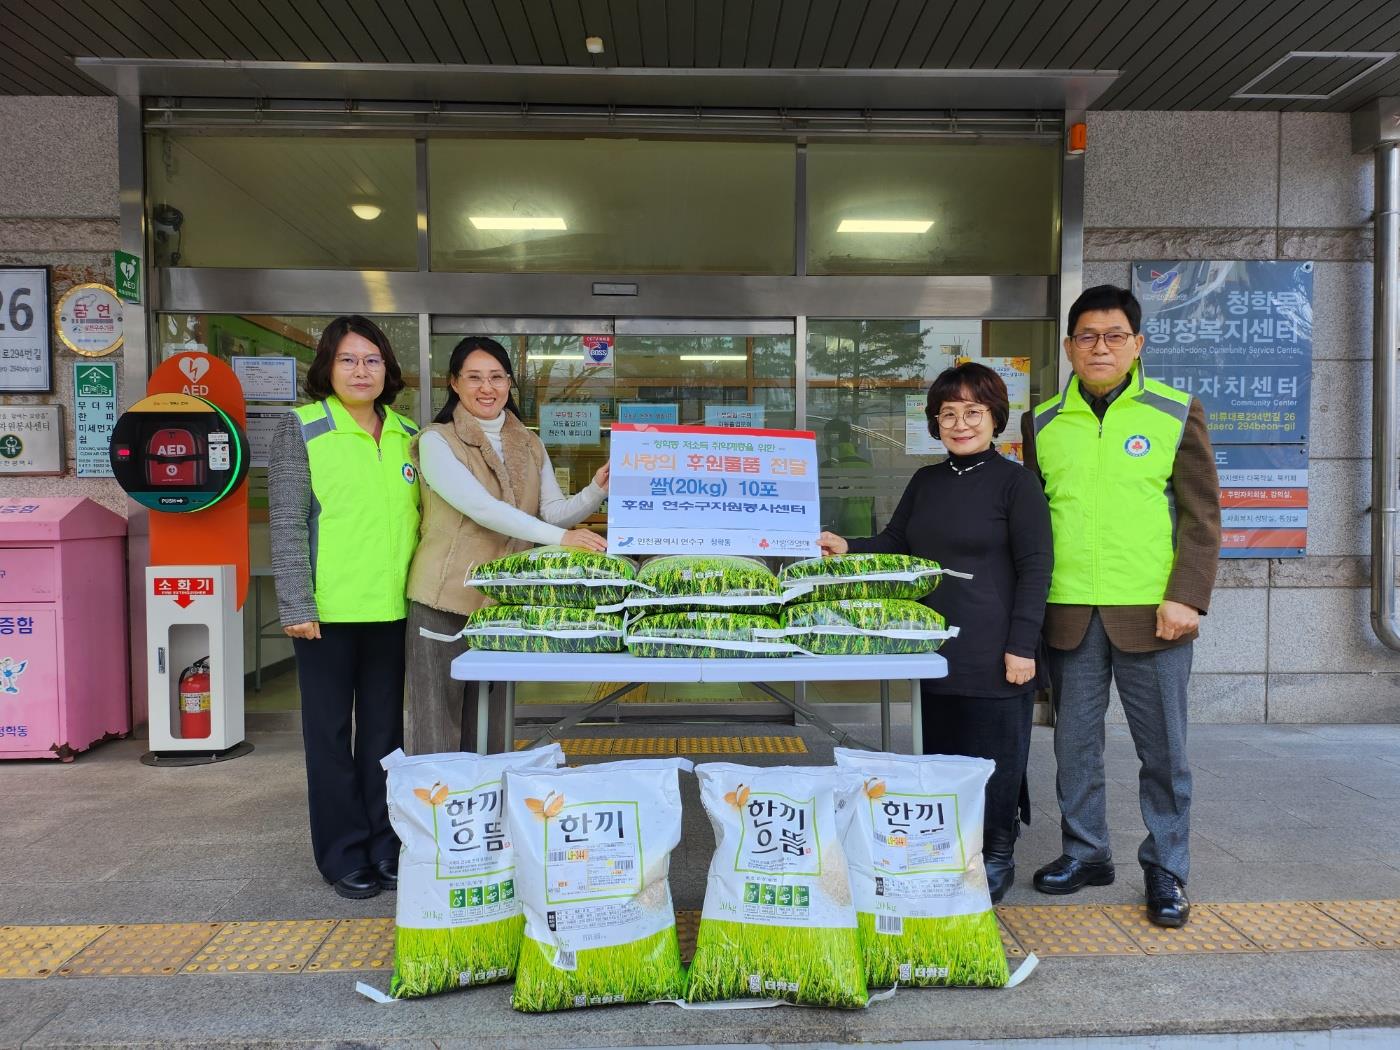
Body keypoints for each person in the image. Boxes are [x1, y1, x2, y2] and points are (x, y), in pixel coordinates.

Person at [1021, 285, 1220, 928]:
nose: (1099, 347)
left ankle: (1166, 866)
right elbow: (1032, 522)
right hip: (1070, 609)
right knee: (1074, 745)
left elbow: (1201, 515)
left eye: (1114, 336)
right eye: (1087, 336)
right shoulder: (1043, 421)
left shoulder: (1173, 410)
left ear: (1137, 344)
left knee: (1163, 749)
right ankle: (1086, 853)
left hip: (1153, 612)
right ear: (1069, 346)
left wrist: (1187, 595)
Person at [819, 361, 1053, 903]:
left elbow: (1037, 567)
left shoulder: (1017, 485)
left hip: (996, 647)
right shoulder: (927, 480)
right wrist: (848, 547)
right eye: (948, 413)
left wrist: (1022, 646)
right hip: (934, 644)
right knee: (944, 754)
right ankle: (951, 846)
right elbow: (897, 539)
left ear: (997, 418)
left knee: (994, 756)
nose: (960, 422)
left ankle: (997, 854)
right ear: (934, 423)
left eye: (973, 411)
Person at [269, 315, 421, 900]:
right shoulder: (302, 428)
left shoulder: (407, 432)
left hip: (390, 610)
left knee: (385, 737)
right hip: (325, 615)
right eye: (348, 360)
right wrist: (295, 603)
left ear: (388, 368)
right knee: (330, 736)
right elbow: (286, 523)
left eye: (372, 360)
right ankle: (341, 853)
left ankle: (385, 844)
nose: (362, 371)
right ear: (326, 369)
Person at [404, 337, 608, 756]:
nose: (487, 387)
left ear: (510, 383)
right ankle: (439, 815)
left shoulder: (528, 443)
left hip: (503, 603)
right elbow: (483, 509)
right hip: (444, 598)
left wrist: (596, 490)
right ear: (454, 384)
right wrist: (564, 540)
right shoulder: (437, 440)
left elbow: (550, 512)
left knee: (493, 717)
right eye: (474, 377)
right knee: (436, 719)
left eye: (497, 377)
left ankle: (489, 814)